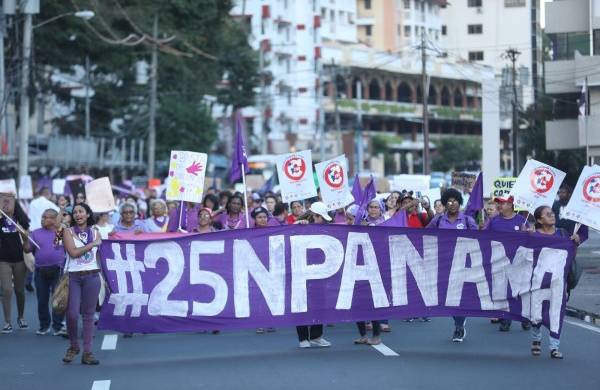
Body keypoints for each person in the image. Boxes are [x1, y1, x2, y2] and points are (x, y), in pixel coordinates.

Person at [427, 188, 478, 343]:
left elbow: (479, 238)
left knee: (459, 296)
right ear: (445, 204)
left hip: (463, 263)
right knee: (447, 297)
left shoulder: (467, 220)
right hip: (444, 263)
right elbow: (425, 234)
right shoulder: (438, 220)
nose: (452, 203)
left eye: (455, 200)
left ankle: (459, 326)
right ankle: (458, 320)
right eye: (449, 201)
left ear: (459, 202)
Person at [530, 205, 581, 359]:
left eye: (552, 213)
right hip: (537, 281)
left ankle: (554, 347)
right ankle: (536, 339)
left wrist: (575, 242)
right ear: (539, 220)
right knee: (536, 312)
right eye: (547, 214)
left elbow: (570, 256)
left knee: (556, 312)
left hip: (558, 282)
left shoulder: (563, 234)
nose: (552, 215)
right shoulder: (532, 235)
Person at [62, 203, 102, 365]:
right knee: (71, 315)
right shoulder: (67, 232)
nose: (78, 214)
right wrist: (93, 244)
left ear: (87, 215)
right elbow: (73, 252)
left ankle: (88, 352)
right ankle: (73, 346)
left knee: (88, 316)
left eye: (81, 212)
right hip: (74, 277)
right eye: (75, 212)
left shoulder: (96, 231)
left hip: (92, 276)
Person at [485, 196, 530, 332]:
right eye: (499, 203)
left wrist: (527, 232)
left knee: (521, 292)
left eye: (503, 203)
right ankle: (505, 319)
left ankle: (525, 318)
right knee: (502, 291)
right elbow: (484, 238)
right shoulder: (494, 221)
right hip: (499, 262)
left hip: (518, 262)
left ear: (511, 205)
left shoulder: (522, 221)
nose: (499, 205)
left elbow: (530, 240)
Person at [22, 209, 67, 336]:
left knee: (57, 300)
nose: (43, 219)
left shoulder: (59, 232)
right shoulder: (35, 233)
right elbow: (27, 250)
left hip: (57, 270)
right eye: (42, 217)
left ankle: (58, 326)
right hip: (40, 271)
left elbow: (58, 246)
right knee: (42, 300)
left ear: (53, 219)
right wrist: (24, 239)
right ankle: (44, 326)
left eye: (46, 217)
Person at [294, 202, 332, 348]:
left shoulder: (324, 227)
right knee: (301, 304)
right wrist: (298, 225)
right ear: (313, 215)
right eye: (320, 217)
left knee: (319, 303)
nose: (322, 220)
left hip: (319, 272)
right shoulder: (298, 225)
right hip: (300, 272)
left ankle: (316, 335)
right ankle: (303, 338)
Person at [0, 193, 30, 333]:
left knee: (19, 290)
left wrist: (24, 235)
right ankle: (7, 322)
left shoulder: (21, 221)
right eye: (3, 202)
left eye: (8, 202)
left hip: (19, 259)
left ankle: (21, 317)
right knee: (6, 290)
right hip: (3, 260)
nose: (6, 205)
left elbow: (27, 245)